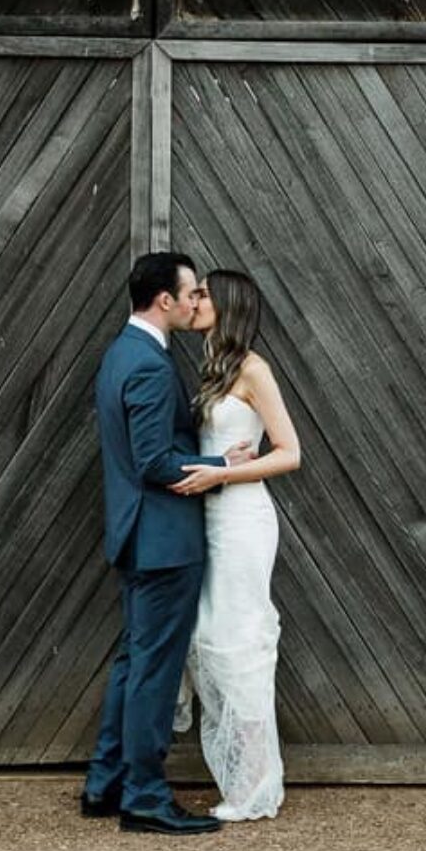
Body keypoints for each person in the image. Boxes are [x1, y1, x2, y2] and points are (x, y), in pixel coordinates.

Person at [81, 252, 253, 835]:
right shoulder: (151, 367)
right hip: (164, 540)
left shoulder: (119, 354)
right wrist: (218, 462)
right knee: (154, 670)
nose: (194, 302)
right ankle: (147, 797)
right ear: (165, 301)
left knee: (134, 661)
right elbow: (155, 460)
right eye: (190, 293)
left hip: (135, 534)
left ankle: (106, 783)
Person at [171, 270, 301, 821]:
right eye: (192, 292)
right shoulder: (214, 369)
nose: (194, 301)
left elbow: (290, 452)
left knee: (241, 645)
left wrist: (221, 476)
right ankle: (240, 775)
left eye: (203, 294)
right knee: (209, 638)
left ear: (228, 304)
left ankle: (254, 788)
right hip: (211, 520)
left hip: (244, 522)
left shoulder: (253, 369)